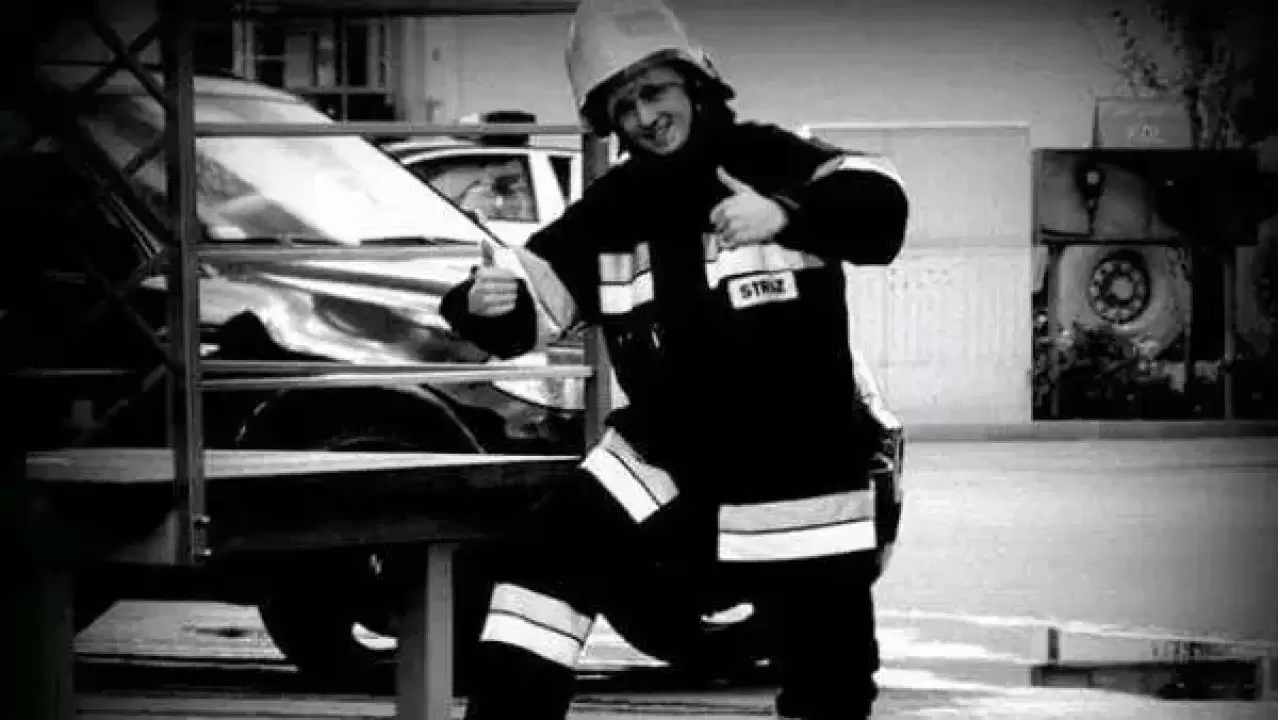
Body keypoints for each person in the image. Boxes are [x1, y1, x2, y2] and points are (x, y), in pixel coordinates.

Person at [440, 0, 909, 717]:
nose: (644, 117)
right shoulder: (615, 207)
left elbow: (882, 208)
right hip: (664, 450)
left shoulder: (770, 157)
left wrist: (787, 214)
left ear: (694, 84)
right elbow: (533, 297)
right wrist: (485, 303)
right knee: (545, 560)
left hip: (797, 458)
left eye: (654, 92)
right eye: (623, 107)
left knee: (827, 677)